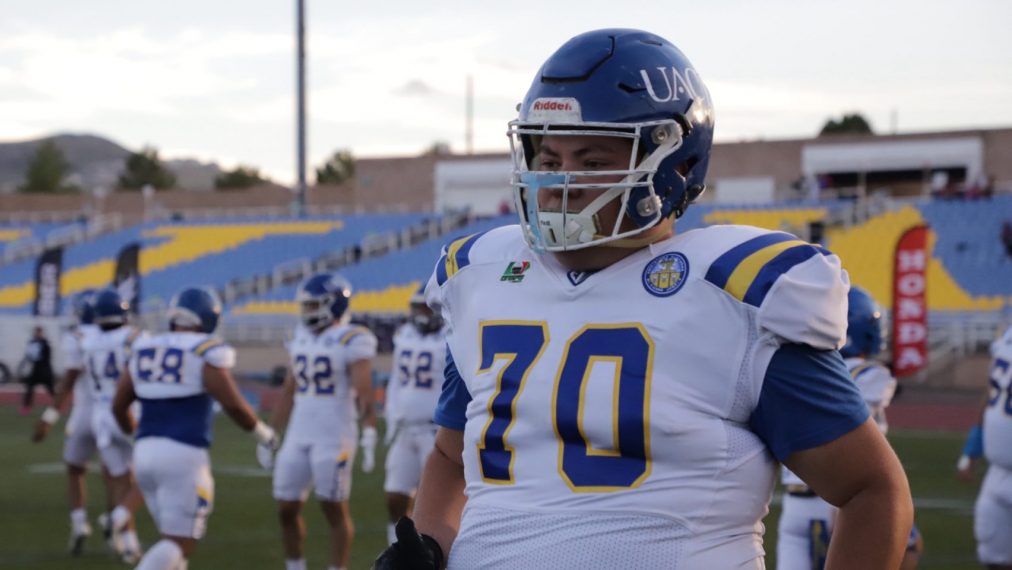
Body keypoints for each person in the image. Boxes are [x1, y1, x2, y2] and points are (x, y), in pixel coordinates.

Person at [374, 28, 912, 570]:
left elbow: (871, 490)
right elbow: (451, 455)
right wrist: (431, 544)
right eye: (548, 156)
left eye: (591, 161)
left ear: (675, 167)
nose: (559, 182)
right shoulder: (482, 278)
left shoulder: (734, 295)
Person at [112, 286, 278, 570]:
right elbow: (233, 404)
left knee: (172, 542)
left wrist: (132, 435)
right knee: (180, 543)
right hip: (183, 453)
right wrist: (265, 435)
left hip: (144, 451)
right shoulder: (203, 350)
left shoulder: (145, 347)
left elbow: (118, 405)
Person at [776, 287, 922, 570]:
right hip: (837, 498)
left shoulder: (797, 368)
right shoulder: (871, 374)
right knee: (909, 547)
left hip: (794, 503)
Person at [264, 273, 379, 570]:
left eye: (314, 305)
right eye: (307, 305)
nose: (308, 312)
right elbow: (289, 390)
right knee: (285, 507)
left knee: (333, 508)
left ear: (333, 305)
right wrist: (270, 433)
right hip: (299, 432)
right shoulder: (301, 337)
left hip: (334, 434)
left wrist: (369, 428)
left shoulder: (353, 338)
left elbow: (364, 390)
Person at [32, 290, 109, 555]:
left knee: (75, 470)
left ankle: (79, 524)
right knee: (119, 475)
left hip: (83, 413)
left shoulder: (77, 337)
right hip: (112, 414)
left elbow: (68, 381)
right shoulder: (122, 337)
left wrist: (49, 418)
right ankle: (119, 523)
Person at [80, 288, 147, 563]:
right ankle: (117, 518)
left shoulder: (88, 341)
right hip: (128, 411)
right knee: (151, 476)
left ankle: (129, 544)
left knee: (120, 481)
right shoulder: (135, 338)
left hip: (100, 415)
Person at [382, 284, 448, 545]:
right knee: (395, 495)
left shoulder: (451, 335)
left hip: (436, 430)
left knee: (436, 500)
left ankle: (437, 550)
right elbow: (396, 380)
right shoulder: (405, 334)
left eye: (426, 308)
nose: (421, 314)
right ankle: (398, 549)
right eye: (418, 308)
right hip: (407, 428)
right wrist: (392, 415)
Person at [957, 323, 1012, 570]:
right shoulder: (1008, 337)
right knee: (994, 559)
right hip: (997, 472)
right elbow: (992, 394)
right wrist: (972, 449)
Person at [20, 325, 56, 414]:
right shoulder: (32, 342)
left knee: (51, 389)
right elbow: (29, 355)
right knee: (29, 388)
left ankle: (59, 405)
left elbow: (47, 356)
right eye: (36, 332)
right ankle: (26, 407)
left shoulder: (45, 343)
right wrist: (22, 365)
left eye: (39, 332)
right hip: (35, 369)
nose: (37, 333)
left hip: (45, 369)